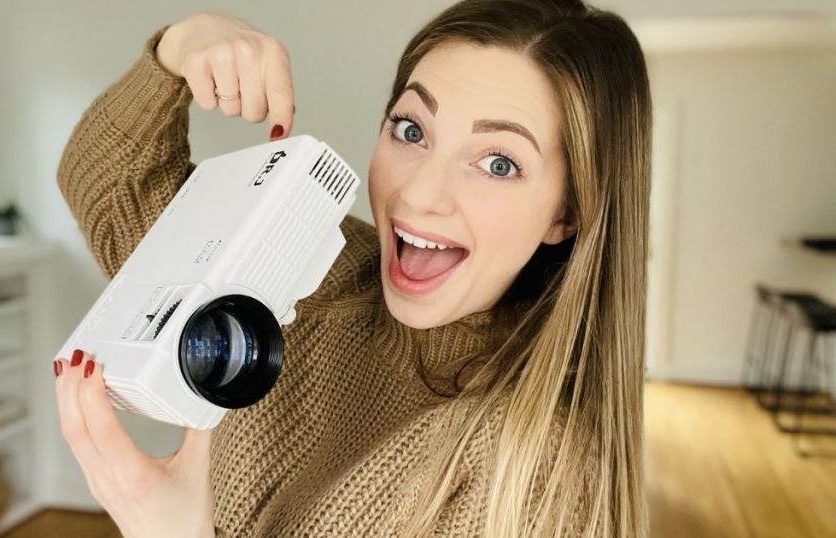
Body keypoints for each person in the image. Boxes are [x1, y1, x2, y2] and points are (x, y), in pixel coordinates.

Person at [52, 0, 651, 536]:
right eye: (411, 129)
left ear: (566, 215)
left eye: (497, 163)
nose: (418, 195)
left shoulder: (538, 468)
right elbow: (109, 186)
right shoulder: (316, 269)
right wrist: (184, 43)